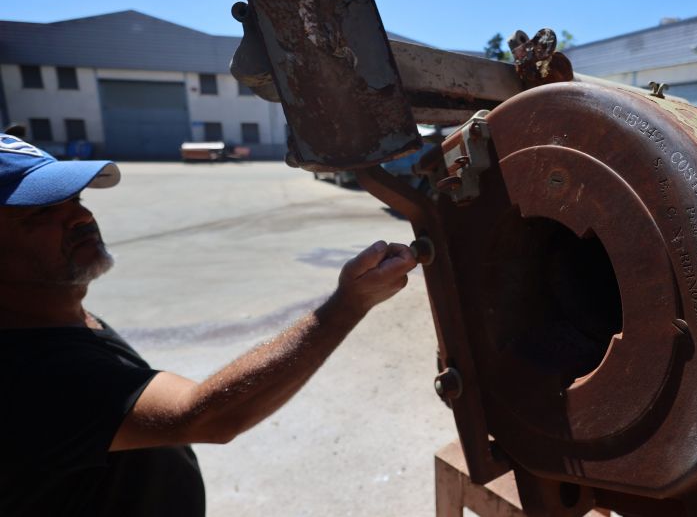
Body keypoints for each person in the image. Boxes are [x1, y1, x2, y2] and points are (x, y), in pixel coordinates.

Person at [0, 131, 418, 516]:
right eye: (39, 212)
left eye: (74, 199)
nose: (80, 216)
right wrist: (348, 305)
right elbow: (204, 416)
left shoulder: (58, 312)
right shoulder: (27, 372)